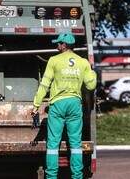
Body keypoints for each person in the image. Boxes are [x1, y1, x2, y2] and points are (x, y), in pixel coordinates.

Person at [32, 33, 97, 179]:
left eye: (58, 43)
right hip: (74, 104)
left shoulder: (54, 60)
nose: (57, 46)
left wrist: (36, 104)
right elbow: (91, 84)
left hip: (58, 105)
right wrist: (93, 72)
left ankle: (51, 176)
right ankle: (77, 176)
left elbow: (45, 84)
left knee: (53, 145)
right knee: (75, 145)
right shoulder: (82, 62)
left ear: (63, 45)